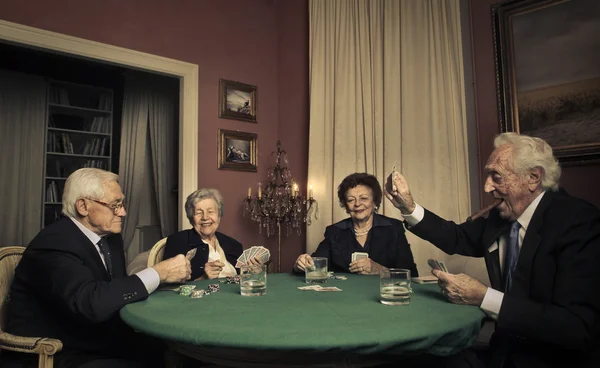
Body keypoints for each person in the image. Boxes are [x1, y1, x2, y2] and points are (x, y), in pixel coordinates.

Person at [384, 133, 600, 367]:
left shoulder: (578, 222)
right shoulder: (500, 217)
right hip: (502, 353)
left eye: (496, 177)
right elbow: (456, 237)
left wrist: (484, 297)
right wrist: (409, 208)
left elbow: (577, 327)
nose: (487, 186)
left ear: (533, 178)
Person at [5, 168, 191, 368]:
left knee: (172, 349)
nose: (123, 212)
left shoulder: (111, 238)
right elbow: (90, 303)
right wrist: (158, 272)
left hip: (98, 338)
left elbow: (115, 290)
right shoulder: (54, 243)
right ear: (83, 206)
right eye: (115, 205)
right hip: (55, 351)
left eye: (122, 203)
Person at [294, 173, 418, 276]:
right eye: (351, 200)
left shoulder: (393, 228)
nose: (357, 204)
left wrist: (380, 270)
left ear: (375, 202)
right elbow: (315, 266)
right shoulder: (334, 231)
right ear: (346, 206)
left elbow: (412, 274)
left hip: (382, 295)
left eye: (363, 198)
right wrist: (301, 265)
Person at [164, 188, 260, 280]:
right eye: (198, 213)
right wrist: (202, 278)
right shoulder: (177, 242)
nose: (205, 217)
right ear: (191, 217)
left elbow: (243, 281)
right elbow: (168, 288)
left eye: (210, 212)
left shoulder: (234, 245)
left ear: (219, 216)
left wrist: (253, 272)